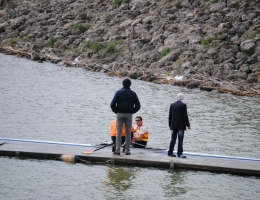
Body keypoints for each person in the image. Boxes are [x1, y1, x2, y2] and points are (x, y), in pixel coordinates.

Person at [110, 78, 141, 155]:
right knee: (128, 132)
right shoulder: (133, 94)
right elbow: (138, 106)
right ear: (130, 84)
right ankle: (127, 150)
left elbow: (112, 104)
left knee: (119, 132)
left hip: (120, 113)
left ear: (122, 84)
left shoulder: (118, 92)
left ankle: (117, 150)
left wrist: (116, 111)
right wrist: (132, 112)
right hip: (129, 114)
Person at [168, 93, 191, 158]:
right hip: (181, 125)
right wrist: (188, 125)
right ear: (182, 98)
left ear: (177, 97)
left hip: (173, 125)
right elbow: (185, 116)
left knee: (172, 139)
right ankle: (179, 154)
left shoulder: (172, 105)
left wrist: (170, 125)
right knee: (180, 140)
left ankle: (170, 153)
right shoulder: (183, 105)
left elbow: (170, 116)